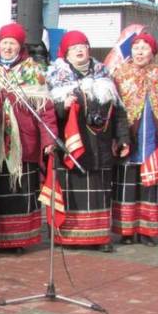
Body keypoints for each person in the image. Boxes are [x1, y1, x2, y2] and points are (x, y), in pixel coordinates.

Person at [46, 30, 130, 252]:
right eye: (74, 48)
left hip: (101, 145)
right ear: (66, 53)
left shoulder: (105, 76)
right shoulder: (55, 78)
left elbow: (119, 112)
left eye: (83, 46)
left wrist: (122, 138)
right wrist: (62, 106)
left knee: (100, 192)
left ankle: (100, 238)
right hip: (71, 147)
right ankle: (70, 238)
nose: (80, 51)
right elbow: (48, 115)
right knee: (72, 192)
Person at [0, 23, 58, 253]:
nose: (7, 47)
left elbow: (45, 110)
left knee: (20, 189)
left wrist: (48, 140)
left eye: (12, 43)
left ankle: (18, 240)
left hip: (25, 143)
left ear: (20, 46)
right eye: (4, 42)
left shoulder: (32, 71)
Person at [110, 33, 158, 246]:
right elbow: (113, 109)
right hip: (128, 139)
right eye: (136, 47)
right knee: (127, 185)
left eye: (144, 48)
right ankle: (126, 231)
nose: (139, 52)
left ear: (153, 51)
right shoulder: (120, 74)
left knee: (150, 186)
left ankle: (147, 230)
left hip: (153, 140)